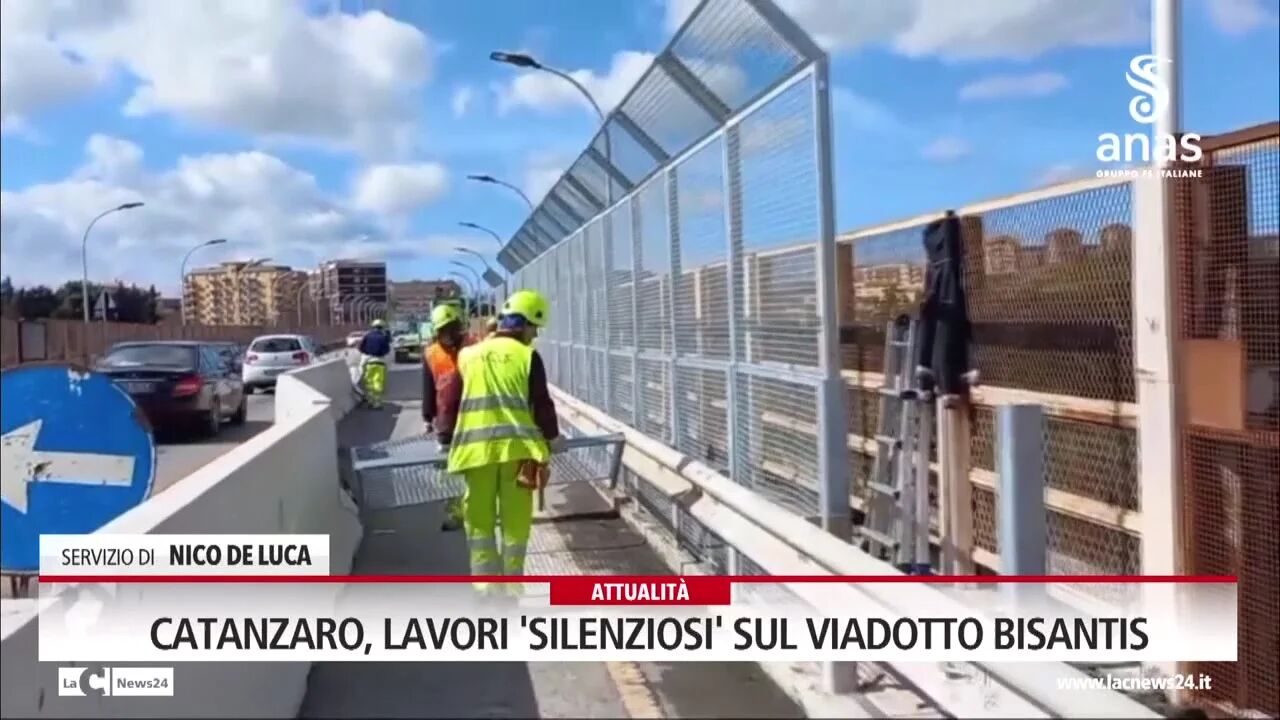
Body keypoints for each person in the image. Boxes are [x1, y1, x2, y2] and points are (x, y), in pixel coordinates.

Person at [435, 290, 563, 597]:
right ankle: (511, 590)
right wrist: (552, 438)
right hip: (521, 455)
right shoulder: (528, 356)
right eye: (534, 327)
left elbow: (450, 402)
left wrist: (444, 438)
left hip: (476, 454)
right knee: (516, 524)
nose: (535, 335)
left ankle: (485, 589)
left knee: (478, 522)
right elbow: (542, 404)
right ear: (524, 324)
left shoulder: (468, 355)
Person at [422, 303, 477, 532]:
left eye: (450, 328)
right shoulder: (431, 354)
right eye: (443, 330)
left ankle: (475, 512)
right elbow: (427, 388)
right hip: (447, 424)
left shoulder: (474, 347)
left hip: (475, 419)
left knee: (474, 472)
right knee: (449, 474)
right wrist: (428, 417)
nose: (447, 335)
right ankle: (456, 514)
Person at [357, 318, 392, 408]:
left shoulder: (367, 336)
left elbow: (361, 348)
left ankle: (370, 400)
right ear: (382, 327)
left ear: (373, 327)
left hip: (368, 362)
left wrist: (368, 352)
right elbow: (387, 350)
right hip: (380, 363)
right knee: (378, 382)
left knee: (369, 382)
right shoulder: (383, 337)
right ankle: (377, 403)